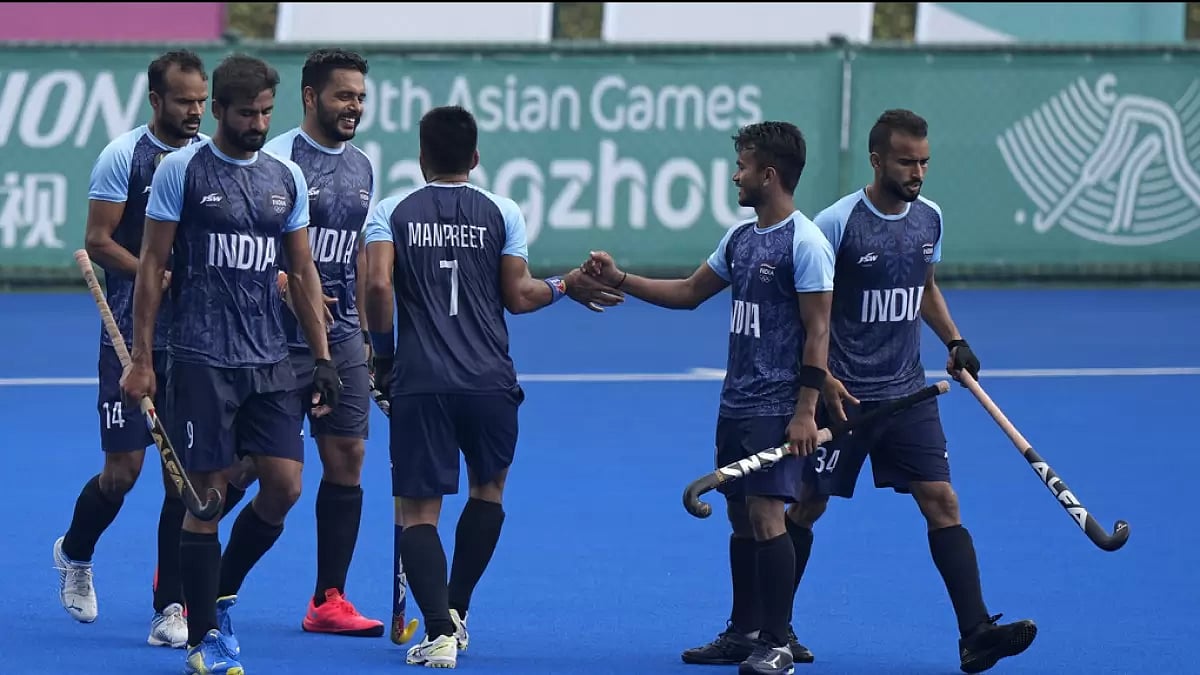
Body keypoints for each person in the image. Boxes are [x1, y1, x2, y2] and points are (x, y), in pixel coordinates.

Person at [361, 104, 625, 669]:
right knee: (489, 492)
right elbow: (519, 296)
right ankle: (456, 610)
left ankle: (435, 633)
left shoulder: (392, 212)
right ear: (475, 158)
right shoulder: (502, 210)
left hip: (422, 381)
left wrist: (383, 357)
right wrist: (564, 284)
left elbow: (379, 287)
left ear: (421, 156)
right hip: (489, 381)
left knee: (418, 513)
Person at [786, 109, 1037, 674]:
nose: (918, 171)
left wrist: (954, 337)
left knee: (943, 501)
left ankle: (976, 634)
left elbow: (923, 286)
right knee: (807, 505)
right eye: (906, 161)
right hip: (843, 400)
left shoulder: (930, 219)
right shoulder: (836, 224)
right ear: (877, 160)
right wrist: (819, 379)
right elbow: (807, 311)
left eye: (924, 161)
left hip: (908, 392)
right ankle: (773, 627)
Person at [584, 121, 833, 675]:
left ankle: (778, 643)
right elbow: (690, 293)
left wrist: (804, 412)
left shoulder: (806, 242)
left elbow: (819, 332)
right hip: (736, 404)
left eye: (742, 166)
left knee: (770, 517)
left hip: (776, 408)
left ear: (768, 174)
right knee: (742, 521)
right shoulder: (741, 239)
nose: (735, 175)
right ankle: (744, 632)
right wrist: (621, 277)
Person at [122, 53, 341, 675]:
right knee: (207, 499)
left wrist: (321, 357)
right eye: (247, 113)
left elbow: (301, 271)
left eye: (267, 112)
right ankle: (204, 640)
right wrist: (143, 357)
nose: (258, 123)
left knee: (285, 486)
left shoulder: (285, 177)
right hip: (200, 359)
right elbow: (150, 269)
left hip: (271, 359)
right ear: (216, 110)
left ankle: (218, 588)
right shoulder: (181, 171)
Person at [53, 49, 209, 650]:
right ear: (156, 100)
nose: (195, 111)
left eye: (201, 100)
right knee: (124, 473)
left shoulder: (212, 160)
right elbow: (97, 241)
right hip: (128, 336)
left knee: (180, 478)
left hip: (195, 342)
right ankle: (75, 552)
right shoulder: (125, 156)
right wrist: (154, 273)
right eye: (184, 101)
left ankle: (170, 607)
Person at [237, 47, 382, 638]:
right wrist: (288, 285)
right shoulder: (273, 158)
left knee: (347, 458)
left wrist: (372, 340)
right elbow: (246, 249)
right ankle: (193, 572)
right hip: (273, 338)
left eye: (361, 98)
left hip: (343, 335)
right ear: (310, 97)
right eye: (345, 95)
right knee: (249, 470)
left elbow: (360, 255)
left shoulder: (364, 167)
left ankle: (328, 599)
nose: (354, 107)